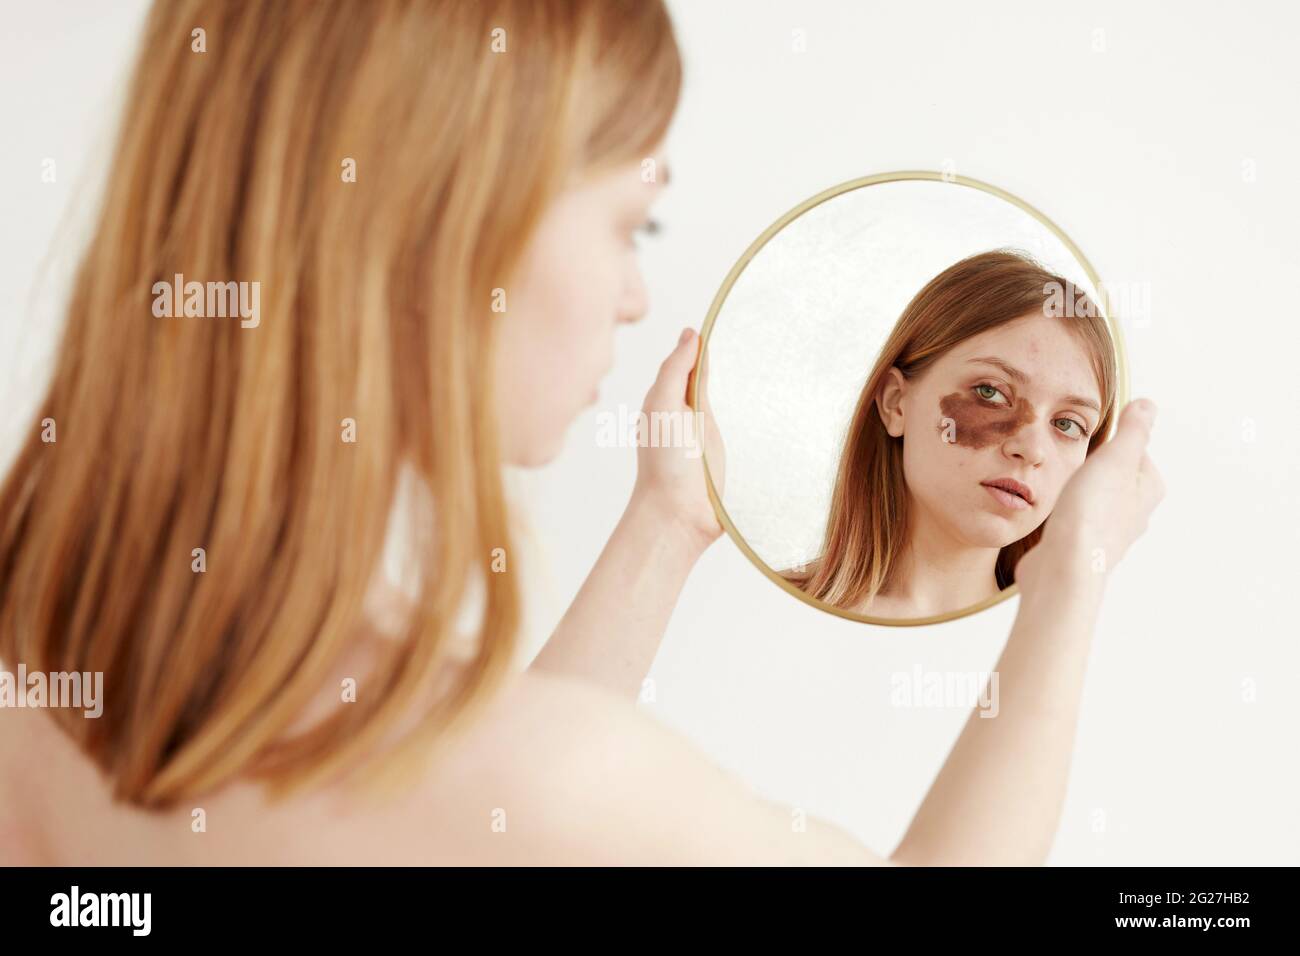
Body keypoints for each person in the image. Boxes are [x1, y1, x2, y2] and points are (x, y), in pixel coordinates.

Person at [0, 0, 1163, 865]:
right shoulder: (549, 776)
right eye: (633, 223)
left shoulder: (53, 652)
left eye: (1070, 423)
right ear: (447, 229)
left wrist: (665, 519)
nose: (631, 297)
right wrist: (1075, 585)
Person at [781, 249, 1120, 620]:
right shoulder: (762, 608)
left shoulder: (1061, 639)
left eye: (1067, 424)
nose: (1033, 449)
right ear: (896, 403)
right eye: (990, 392)